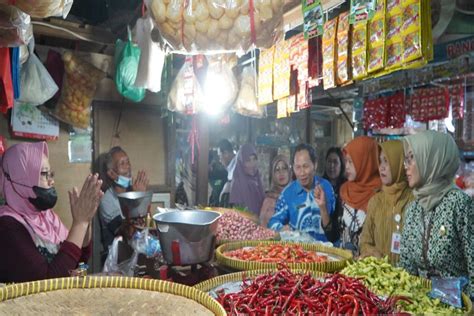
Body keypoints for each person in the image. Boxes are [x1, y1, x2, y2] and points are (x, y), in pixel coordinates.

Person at [0, 142, 103, 282]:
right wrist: (80, 223)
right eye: (43, 174)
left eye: (51, 174)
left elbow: (78, 261)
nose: (51, 181)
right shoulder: (7, 226)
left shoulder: (47, 217)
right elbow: (47, 281)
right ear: (20, 177)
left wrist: (86, 219)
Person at [399, 131, 473, 298]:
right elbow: (406, 270)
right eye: (406, 158)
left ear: (432, 160)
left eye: (412, 158)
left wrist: (460, 299)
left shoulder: (459, 204)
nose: (405, 165)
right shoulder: (413, 209)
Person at [359, 140, 414, 264]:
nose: (381, 167)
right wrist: (376, 256)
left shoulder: (414, 200)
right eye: (380, 161)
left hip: (409, 279)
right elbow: (365, 242)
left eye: (386, 161)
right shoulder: (375, 201)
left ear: (399, 163)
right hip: (381, 277)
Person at [268, 144, 335, 242]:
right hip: (299, 253)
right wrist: (281, 229)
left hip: (325, 252)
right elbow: (273, 222)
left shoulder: (326, 187)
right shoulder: (287, 194)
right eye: (298, 167)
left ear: (315, 165)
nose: (302, 173)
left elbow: (333, 230)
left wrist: (323, 207)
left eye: (305, 166)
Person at [98, 146, 149, 253]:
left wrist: (142, 197)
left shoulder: (132, 191)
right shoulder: (107, 200)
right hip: (117, 258)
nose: (128, 167)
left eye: (128, 162)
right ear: (111, 173)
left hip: (137, 251)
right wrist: (137, 200)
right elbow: (129, 233)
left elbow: (147, 225)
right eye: (122, 163)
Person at [339, 136, 381, 254]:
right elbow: (333, 233)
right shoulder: (344, 191)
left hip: (368, 268)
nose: (346, 166)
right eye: (345, 161)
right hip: (342, 266)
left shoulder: (380, 196)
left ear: (365, 161)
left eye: (351, 162)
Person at [229, 144, 265, 215]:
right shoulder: (237, 183)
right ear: (241, 163)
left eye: (254, 159)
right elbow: (237, 213)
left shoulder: (257, 179)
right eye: (248, 160)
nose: (252, 164)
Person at [322, 147, 346, 243]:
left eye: (335, 162)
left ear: (341, 165)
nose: (331, 166)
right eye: (329, 161)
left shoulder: (346, 188)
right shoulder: (319, 185)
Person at [259, 155, 291, 227]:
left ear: (289, 171)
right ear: (273, 174)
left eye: (284, 168)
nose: (281, 173)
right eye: (277, 169)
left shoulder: (298, 196)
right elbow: (262, 226)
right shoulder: (268, 200)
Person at [218, 139, 237, 207]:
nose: (220, 160)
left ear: (226, 154)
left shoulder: (237, 168)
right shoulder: (231, 167)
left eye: (220, 156)